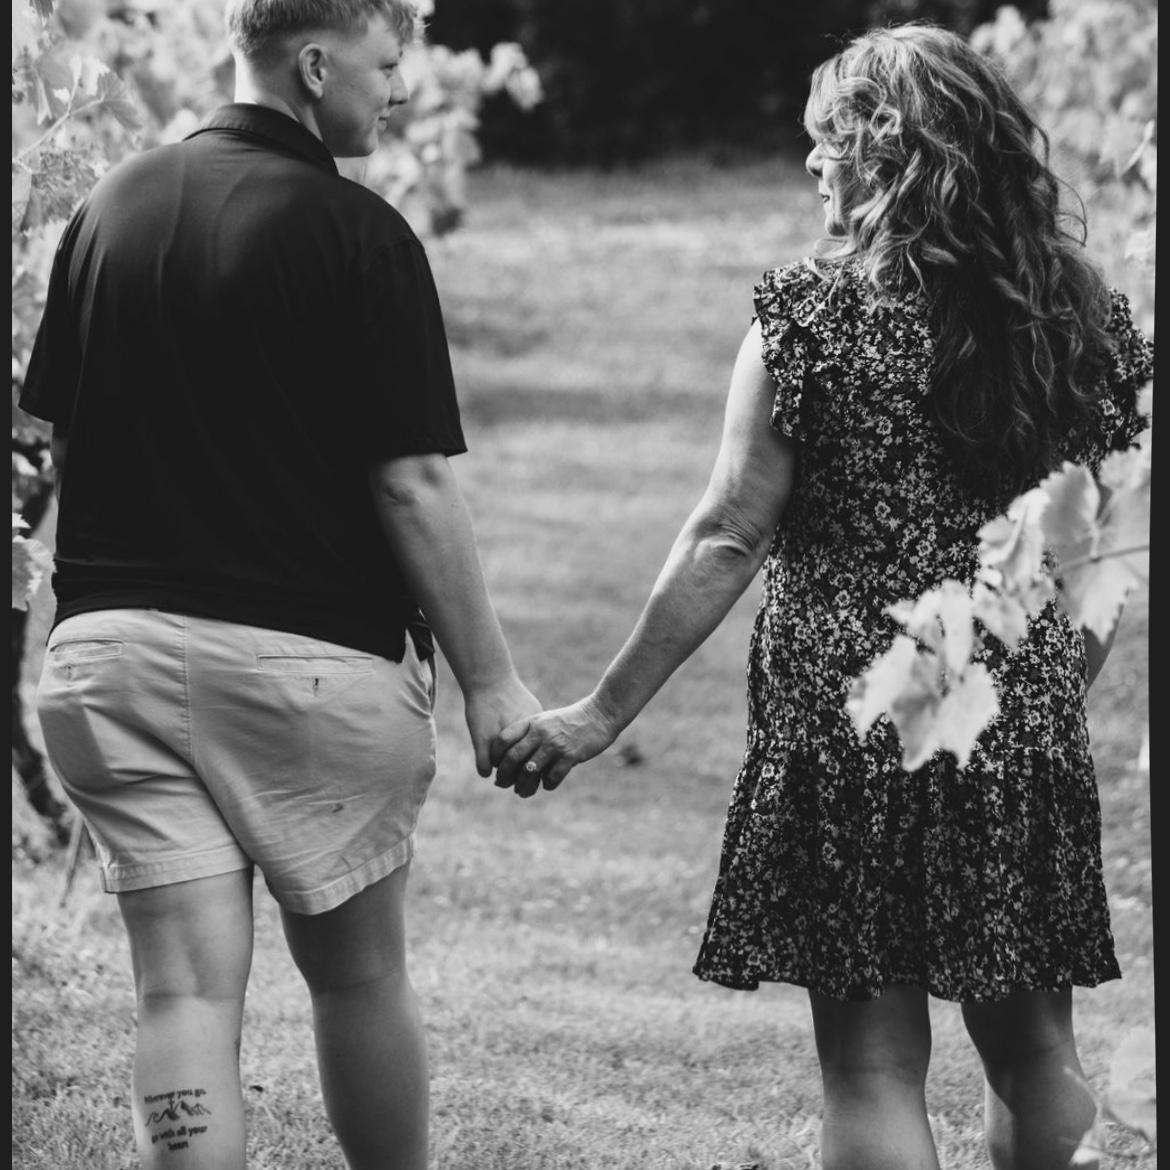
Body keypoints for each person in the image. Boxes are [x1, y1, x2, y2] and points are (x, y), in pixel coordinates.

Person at [490, 22, 1153, 1170]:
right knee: (1037, 1053)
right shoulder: (1084, 320)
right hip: (1017, 724)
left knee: (872, 1067)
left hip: (846, 726)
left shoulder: (809, 319)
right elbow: (1108, 552)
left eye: (830, 143)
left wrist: (598, 715)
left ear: (893, 157)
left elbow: (727, 535)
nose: (811, 166)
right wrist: (1040, 690)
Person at [19, 2, 540, 1167]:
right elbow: (410, 485)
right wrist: (491, 684)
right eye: (387, 60)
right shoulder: (361, 235)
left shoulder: (108, 210)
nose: (402, 88)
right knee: (357, 978)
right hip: (307, 676)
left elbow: (46, 445)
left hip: (110, 670)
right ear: (316, 65)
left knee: (183, 997)